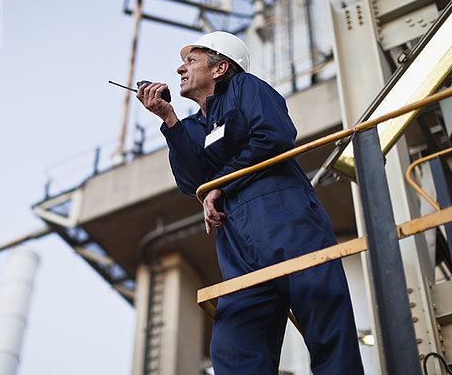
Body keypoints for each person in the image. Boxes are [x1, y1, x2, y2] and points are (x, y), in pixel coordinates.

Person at [136, 31, 364, 375]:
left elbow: (274, 135)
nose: (179, 69)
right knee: (235, 343)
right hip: (237, 240)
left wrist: (223, 183)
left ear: (220, 68)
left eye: (191, 61)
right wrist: (169, 120)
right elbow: (193, 182)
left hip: (286, 217)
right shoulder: (198, 124)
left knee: (324, 322)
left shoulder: (246, 88)